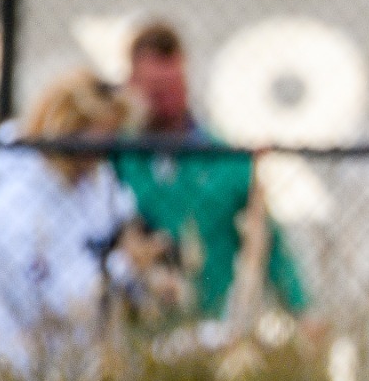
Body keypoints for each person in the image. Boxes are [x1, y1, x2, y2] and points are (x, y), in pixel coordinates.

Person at [113, 21, 308, 326]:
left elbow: (269, 242)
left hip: (211, 324)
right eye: (154, 92)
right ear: (132, 85)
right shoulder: (116, 159)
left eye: (171, 89)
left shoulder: (225, 160)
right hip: (137, 327)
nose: (164, 102)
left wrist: (301, 310)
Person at [0, 70, 176, 371]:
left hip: (80, 364)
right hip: (20, 369)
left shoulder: (94, 179)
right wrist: (125, 268)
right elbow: (49, 303)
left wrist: (149, 273)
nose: (104, 150)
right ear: (68, 130)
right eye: (99, 138)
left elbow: (127, 225)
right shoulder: (15, 204)